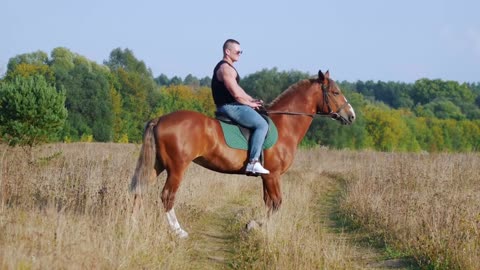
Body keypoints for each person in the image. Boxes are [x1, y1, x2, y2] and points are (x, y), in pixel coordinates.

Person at [211, 39, 270, 175]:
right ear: (227, 51)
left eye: (241, 51)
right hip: (230, 107)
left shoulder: (230, 68)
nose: (240, 53)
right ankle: (253, 162)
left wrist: (253, 100)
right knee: (262, 125)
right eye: (238, 51)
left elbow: (240, 91)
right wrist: (249, 104)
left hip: (232, 105)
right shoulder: (225, 69)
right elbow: (236, 94)